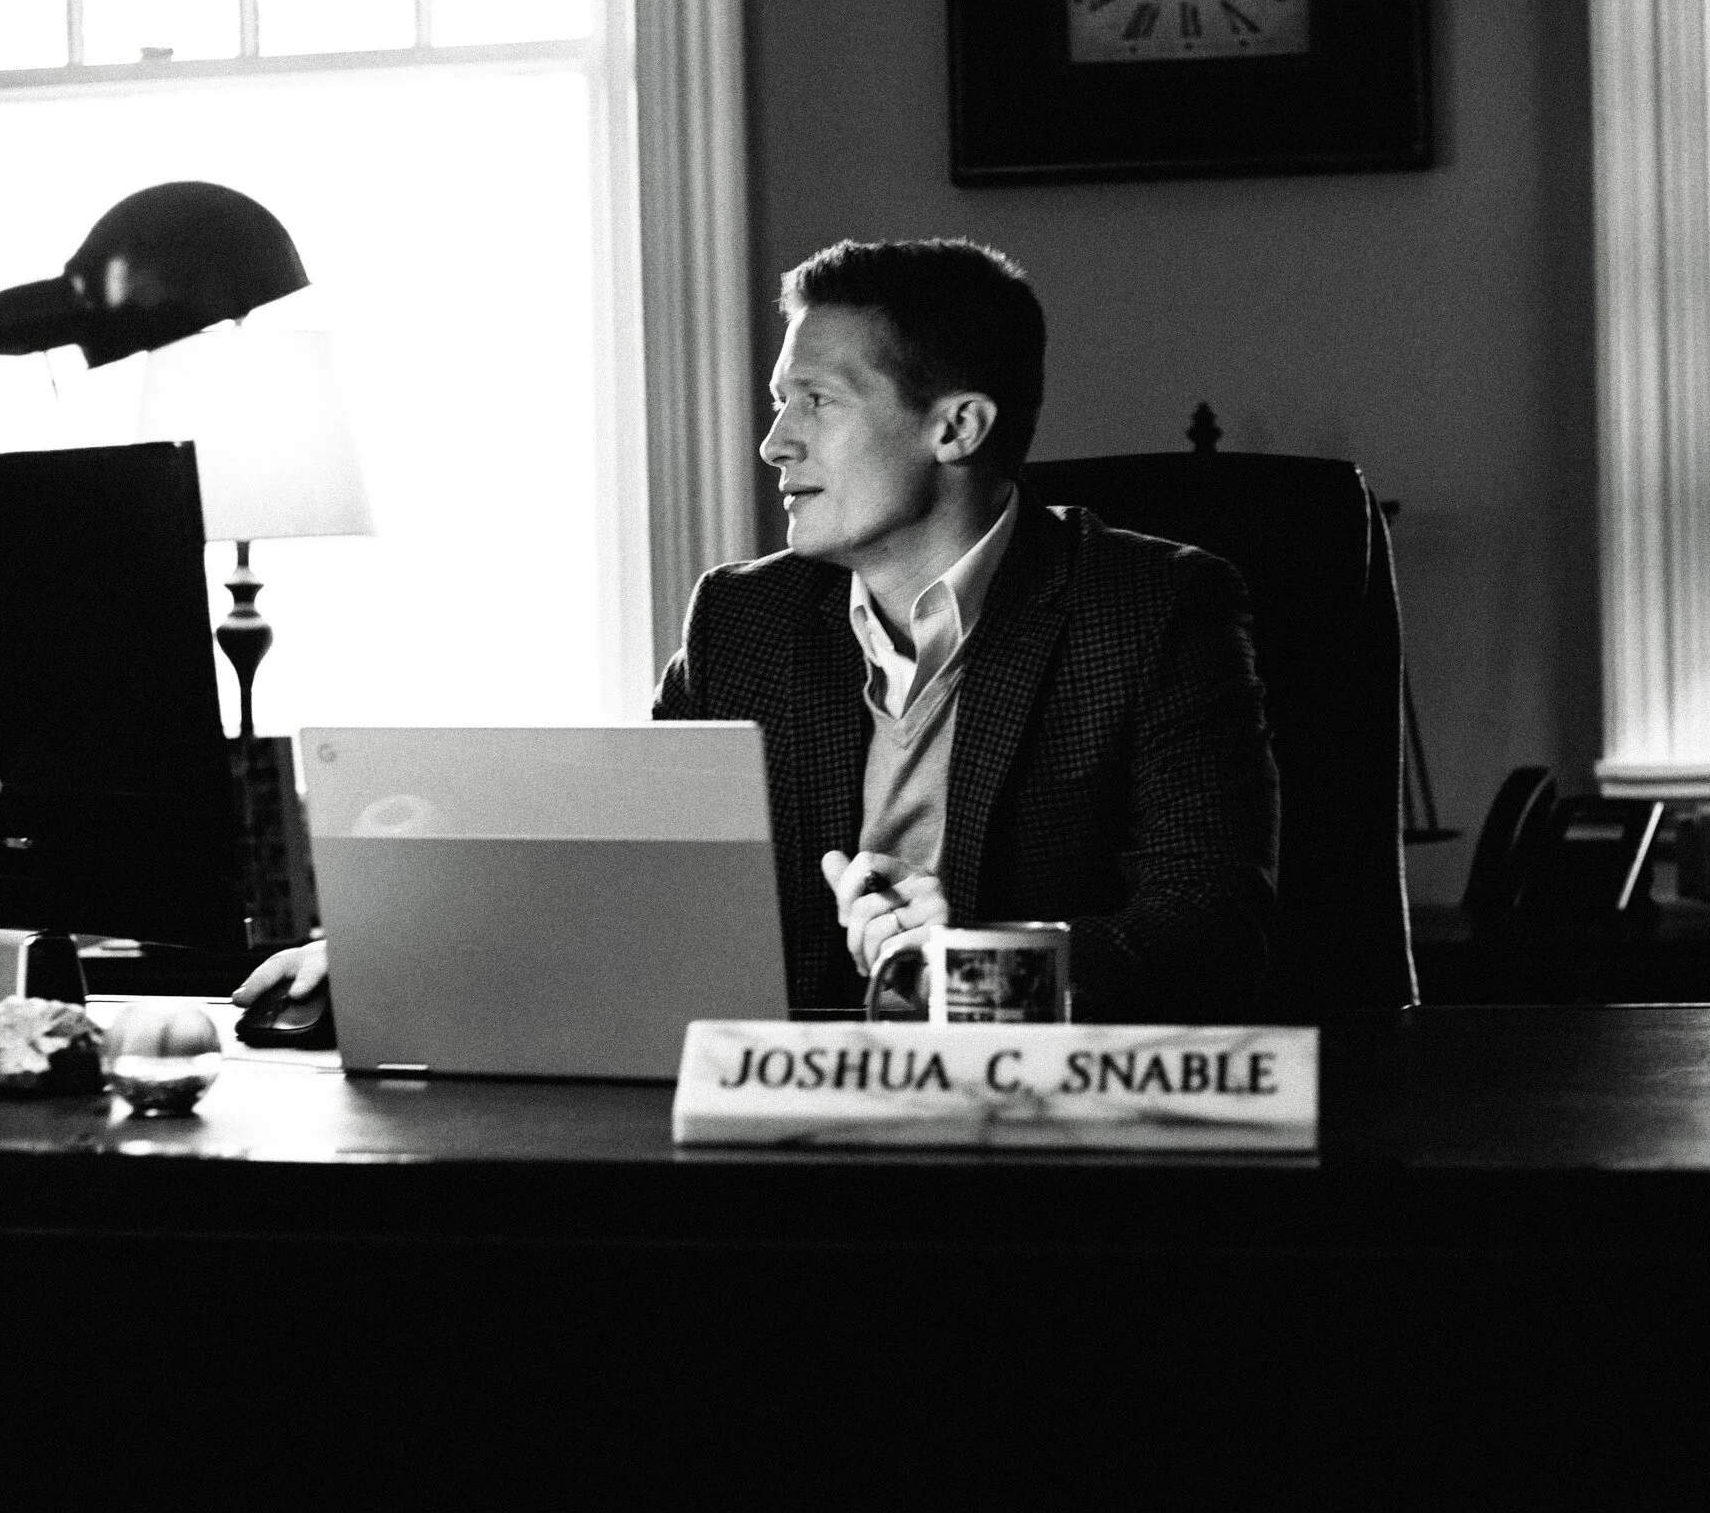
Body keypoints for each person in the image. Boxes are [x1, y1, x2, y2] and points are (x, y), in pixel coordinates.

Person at [237, 238, 1278, 1022]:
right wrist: (395, 958)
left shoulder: (1152, 611)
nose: (775, 442)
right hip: (773, 1135)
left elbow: (1211, 930)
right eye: (781, 402)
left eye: (815, 401)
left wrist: (972, 964)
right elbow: (632, 882)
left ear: (956, 426)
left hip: (1047, 1146)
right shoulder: (742, 620)